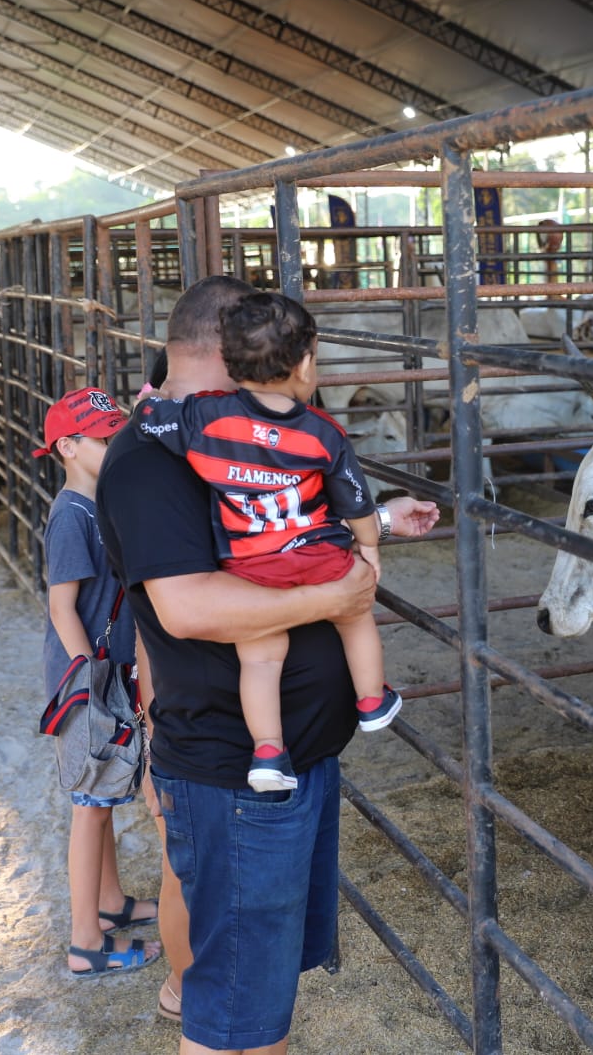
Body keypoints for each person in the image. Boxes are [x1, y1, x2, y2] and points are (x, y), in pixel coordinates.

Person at [96, 275, 438, 1055]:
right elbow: (188, 608)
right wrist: (342, 597)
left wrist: (373, 524)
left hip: (284, 764)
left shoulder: (247, 440)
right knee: (237, 1017)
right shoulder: (155, 459)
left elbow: (284, 529)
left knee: (256, 991)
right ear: (235, 353)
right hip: (231, 775)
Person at [135, 292, 402, 792]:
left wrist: (149, 405)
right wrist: (369, 547)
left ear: (231, 364)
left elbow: (153, 419)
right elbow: (356, 503)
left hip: (250, 566)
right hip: (318, 555)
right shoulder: (323, 433)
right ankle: (372, 700)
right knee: (355, 615)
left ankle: (267, 753)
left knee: (259, 659)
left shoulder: (205, 419)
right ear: (304, 364)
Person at [34, 386, 163, 978]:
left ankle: (109, 906)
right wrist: (96, 682)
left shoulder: (95, 507)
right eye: (103, 437)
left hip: (105, 674)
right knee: (90, 803)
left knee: (105, 794)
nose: (113, 445)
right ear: (67, 446)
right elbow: (63, 609)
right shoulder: (70, 515)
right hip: (89, 681)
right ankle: (85, 944)